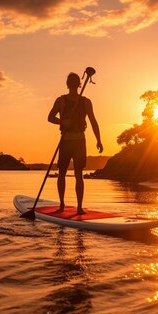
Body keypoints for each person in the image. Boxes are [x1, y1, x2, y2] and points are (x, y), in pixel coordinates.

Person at [47, 72, 103, 214]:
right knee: (62, 174)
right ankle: (62, 204)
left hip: (79, 141)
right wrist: (62, 121)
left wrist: (99, 139)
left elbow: (93, 121)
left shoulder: (85, 101)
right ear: (72, 84)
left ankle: (78, 207)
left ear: (77, 84)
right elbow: (50, 117)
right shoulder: (61, 101)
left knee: (78, 175)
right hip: (66, 141)